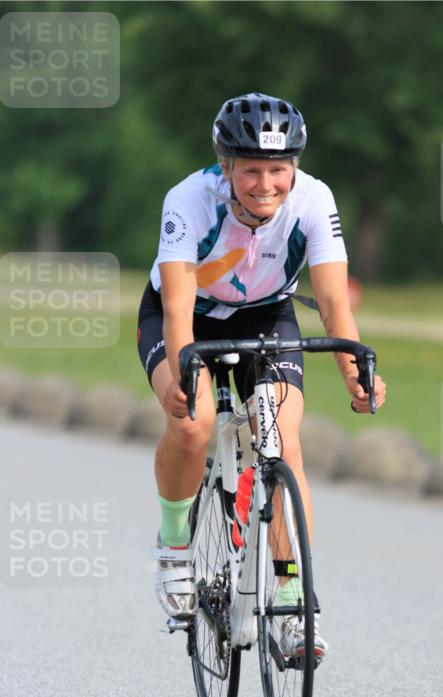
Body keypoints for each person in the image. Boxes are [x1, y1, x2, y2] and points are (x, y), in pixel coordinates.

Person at [137, 92, 386, 658]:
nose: (266, 184)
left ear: (295, 166)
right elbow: (176, 306)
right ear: (226, 166)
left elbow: (332, 302)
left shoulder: (315, 200)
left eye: (279, 169)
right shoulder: (189, 199)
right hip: (186, 314)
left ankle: (292, 602)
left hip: (268, 315)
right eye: (251, 170)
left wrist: (354, 370)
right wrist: (183, 369)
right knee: (193, 424)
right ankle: (175, 551)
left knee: (281, 442)